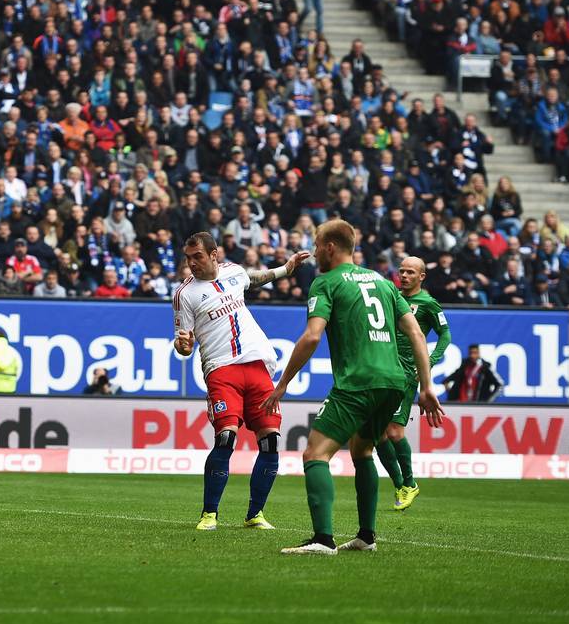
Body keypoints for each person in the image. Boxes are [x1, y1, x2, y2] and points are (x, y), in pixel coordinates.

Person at [262, 220, 442, 554]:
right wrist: (426, 386)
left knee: (315, 453)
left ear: (330, 247)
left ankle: (322, 539)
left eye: (317, 245)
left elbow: (313, 335)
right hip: (393, 383)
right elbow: (417, 334)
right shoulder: (384, 283)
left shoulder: (326, 282)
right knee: (362, 451)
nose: (315, 252)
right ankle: (366, 537)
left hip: (358, 382)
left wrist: (282, 383)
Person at [174, 232, 311, 531]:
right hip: (221, 369)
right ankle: (209, 513)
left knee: (271, 440)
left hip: (258, 365)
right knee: (226, 437)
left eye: (197, 256)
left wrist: (285, 270)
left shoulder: (233, 272)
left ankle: (255, 514)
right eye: (188, 258)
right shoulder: (185, 294)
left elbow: (253, 279)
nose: (192, 263)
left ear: (214, 254)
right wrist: (183, 346)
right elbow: (183, 342)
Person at [375, 257, 451, 512]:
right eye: (402, 271)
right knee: (375, 433)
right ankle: (402, 485)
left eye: (410, 272)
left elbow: (445, 335)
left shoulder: (428, 304)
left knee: (394, 432)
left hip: (406, 374)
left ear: (422, 276)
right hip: (382, 369)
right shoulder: (391, 296)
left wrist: (428, 362)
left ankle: (408, 482)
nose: (404, 275)